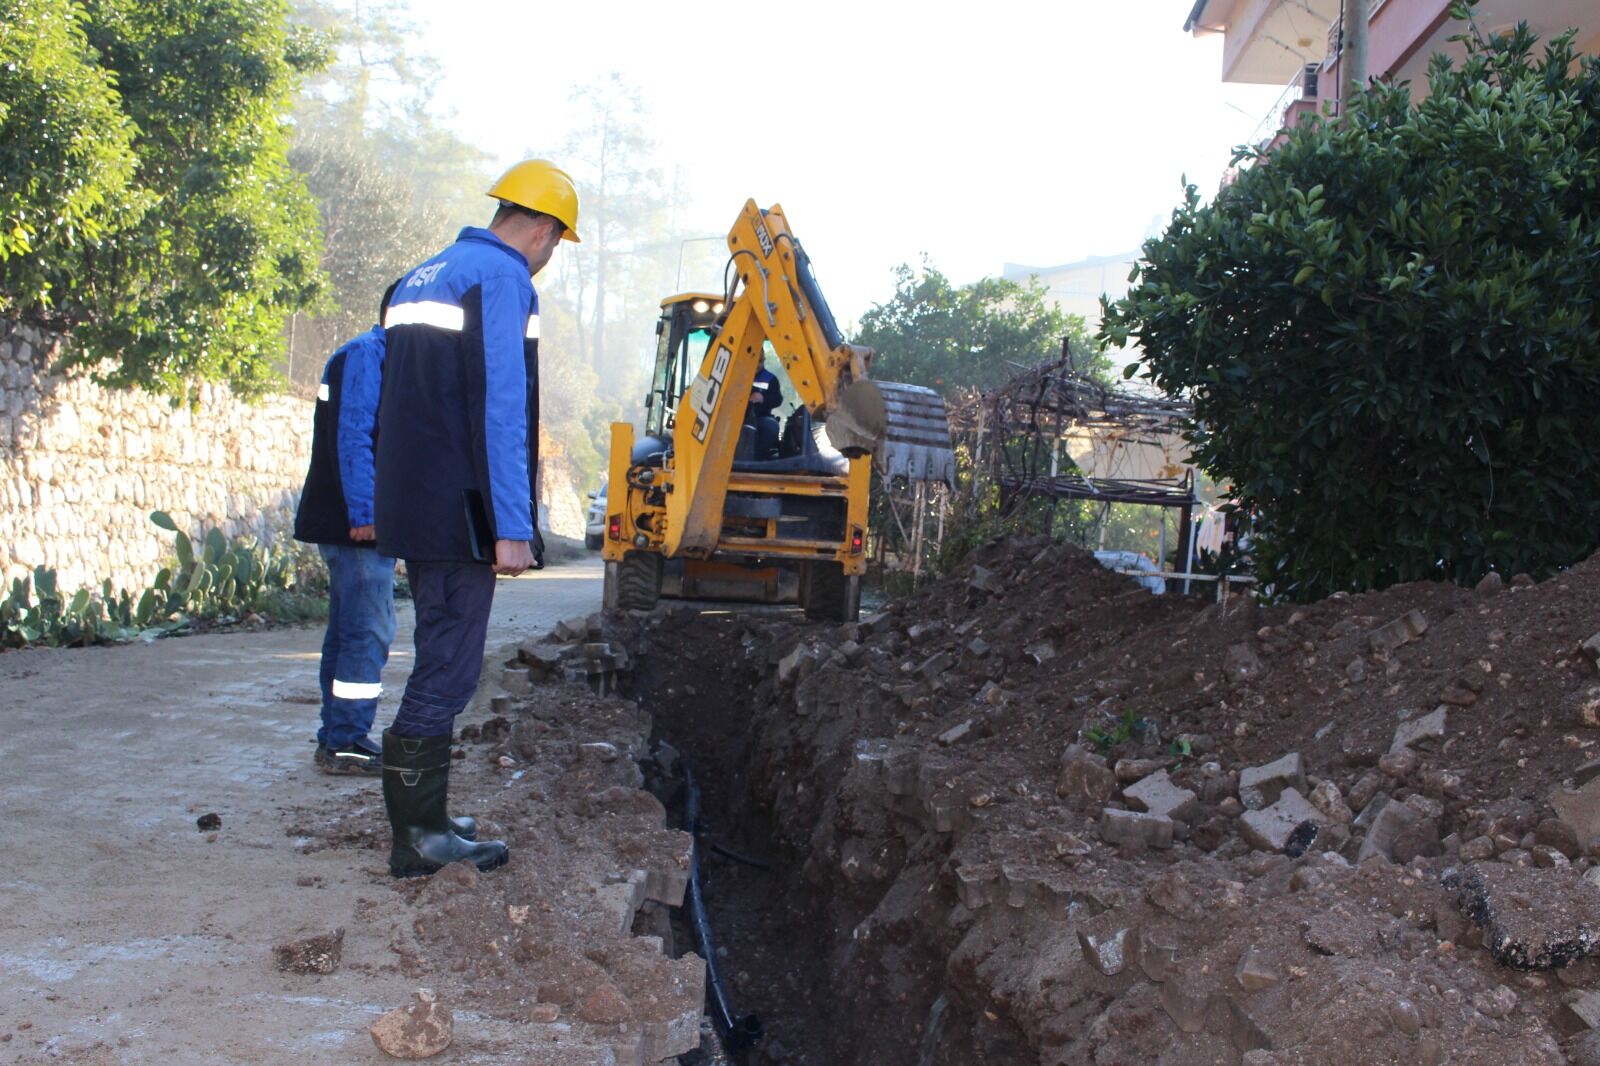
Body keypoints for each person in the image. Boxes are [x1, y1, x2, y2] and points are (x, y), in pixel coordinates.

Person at [373, 159, 579, 879]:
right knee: (449, 669)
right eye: (556, 241)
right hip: (462, 511)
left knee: (438, 651)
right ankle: (419, 839)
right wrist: (512, 526)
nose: (551, 256)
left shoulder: (423, 274)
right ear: (543, 231)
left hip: (415, 502)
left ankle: (426, 818)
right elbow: (499, 405)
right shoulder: (502, 279)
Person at [293, 323, 396, 776]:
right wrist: (365, 514)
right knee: (368, 630)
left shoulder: (367, 354)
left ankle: (336, 738)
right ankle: (347, 742)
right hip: (353, 523)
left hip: (352, 519)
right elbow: (354, 436)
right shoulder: (367, 356)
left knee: (349, 631)